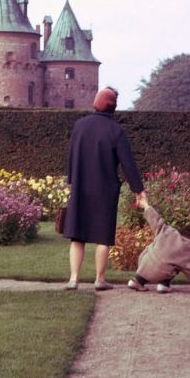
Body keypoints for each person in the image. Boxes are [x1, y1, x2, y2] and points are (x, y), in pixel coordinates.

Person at [63, 86, 145, 291]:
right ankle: (99, 279)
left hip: (81, 186)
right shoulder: (115, 130)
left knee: (77, 235)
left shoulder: (79, 126)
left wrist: (71, 180)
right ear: (113, 107)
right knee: (102, 236)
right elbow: (128, 164)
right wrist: (138, 190)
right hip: (105, 189)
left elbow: (71, 155)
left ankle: (73, 279)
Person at [127, 194, 190, 293]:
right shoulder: (188, 251)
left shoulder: (167, 231)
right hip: (162, 272)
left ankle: (137, 280)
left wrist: (146, 206)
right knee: (175, 265)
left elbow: (155, 219)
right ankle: (164, 284)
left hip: (143, 264)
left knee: (156, 255)